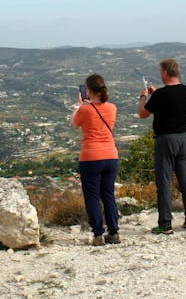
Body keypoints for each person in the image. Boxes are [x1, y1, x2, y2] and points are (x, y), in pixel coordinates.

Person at [137, 58, 186, 234]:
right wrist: (157, 94)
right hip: (184, 139)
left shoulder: (161, 95)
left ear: (165, 72)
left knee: (163, 182)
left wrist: (143, 97)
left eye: (160, 71)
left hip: (166, 140)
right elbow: (172, 102)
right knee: (185, 180)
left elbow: (142, 114)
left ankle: (165, 223)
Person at [71, 74, 120, 245]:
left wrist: (80, 106)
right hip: (111, 155)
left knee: (92, 197)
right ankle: (114, 232)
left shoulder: (85, 109)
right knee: (108, 195)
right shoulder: (112, 108)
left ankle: (98, 235)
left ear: (89, 90)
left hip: (91, 156)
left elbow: (74, 124)